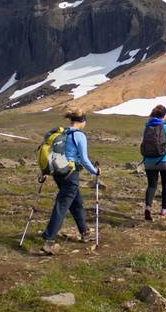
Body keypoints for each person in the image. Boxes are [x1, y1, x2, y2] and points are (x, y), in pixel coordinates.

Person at [41, 108, 100, 255]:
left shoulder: (62, 132)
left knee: (76, 202)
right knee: (62, 204)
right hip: (71, 173)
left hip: (58, 172)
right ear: (82, 121)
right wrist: (95, 171)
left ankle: (84, 232)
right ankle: (49, 239)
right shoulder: (79, 135)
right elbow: (84, 159)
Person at [141, 105, 166, 221]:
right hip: (164, 160)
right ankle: (164, 209)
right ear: (164, 115)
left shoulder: (147, 127)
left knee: (152, 185)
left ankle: (148, 207)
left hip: (149, 161)